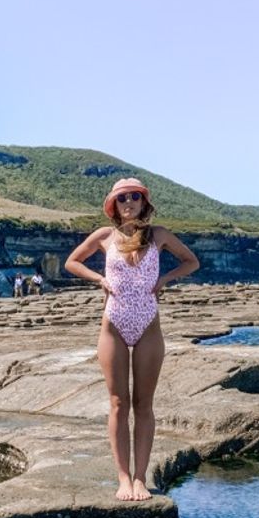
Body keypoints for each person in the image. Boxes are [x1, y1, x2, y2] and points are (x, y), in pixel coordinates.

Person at [64, 177, 199, 501]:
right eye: (122, 198)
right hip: (113, 324)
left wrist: (165, 279)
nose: (128, 202)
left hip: (148, 325)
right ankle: (123, 478)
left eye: (135, 197)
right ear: (114, 204)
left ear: (143, 201)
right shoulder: (104, 236)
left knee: (144, 404)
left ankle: (141, 479)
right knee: (118, 403)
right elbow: (72, 262)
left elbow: (192, 261)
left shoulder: (159, 235)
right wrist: (100, 279)